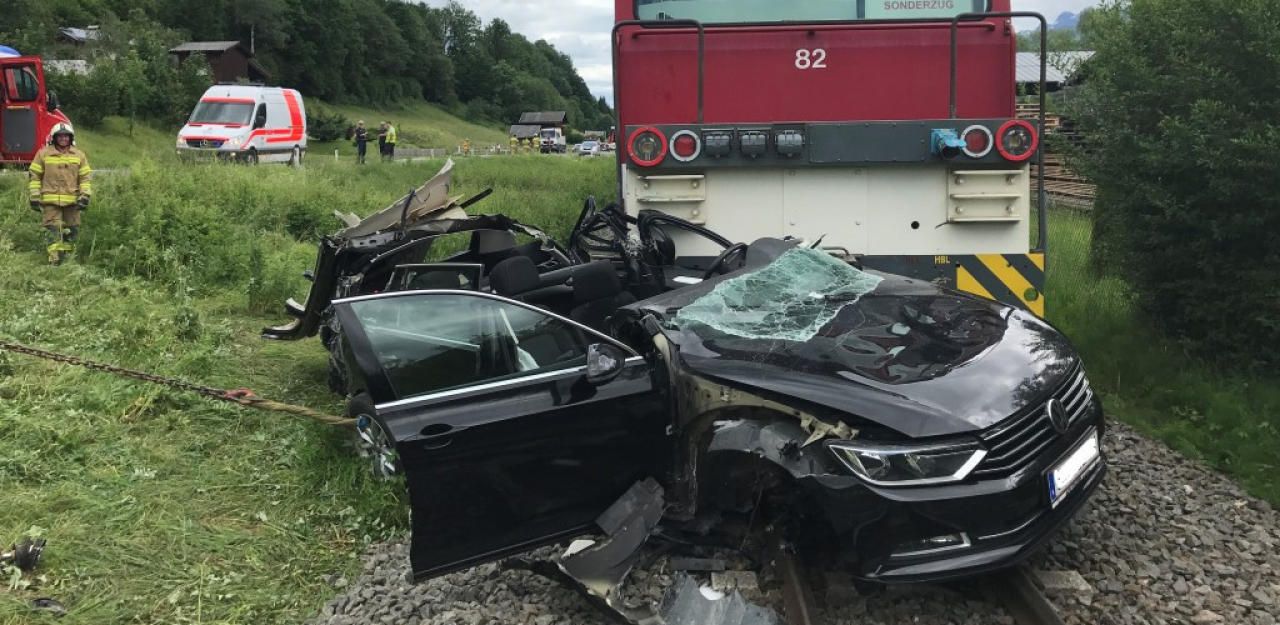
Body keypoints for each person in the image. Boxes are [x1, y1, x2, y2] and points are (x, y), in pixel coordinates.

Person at [28, 123, 91, 266]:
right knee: (53, 230)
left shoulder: (79, 155)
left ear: (71, 138)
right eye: (60, 136)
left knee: (72, 230)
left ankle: (68, 259)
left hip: (73, 201)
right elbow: (35, 176)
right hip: (50, 201)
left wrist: (85, 196)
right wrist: (34, 196)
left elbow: (85, 178)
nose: (63, 139)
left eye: (66, 136)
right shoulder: (43, 154)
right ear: (54, 138)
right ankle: (54, 261)